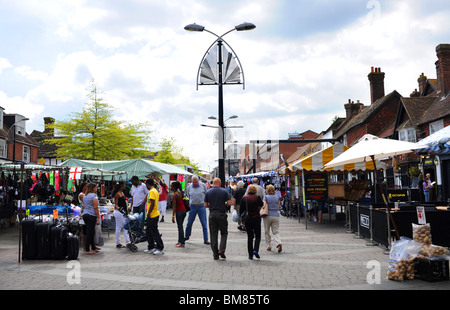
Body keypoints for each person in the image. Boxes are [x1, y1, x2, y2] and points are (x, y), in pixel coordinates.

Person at [204, 178, 231, 260]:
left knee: (213, 234)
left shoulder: (208, 192)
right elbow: (229, 203)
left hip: (212, 214)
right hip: (221, 214)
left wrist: (211, 206)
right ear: (219, 183)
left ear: (213, 183)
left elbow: (205, 205)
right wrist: (224, 204)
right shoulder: (224, 191)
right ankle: (222, 250)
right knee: (224, 233)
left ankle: (215, 254)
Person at [240, 185, 263, 260]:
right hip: (256, 217)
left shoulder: (244, 198)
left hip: (248, 218)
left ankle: (250, 255)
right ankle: (255, 250)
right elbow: (262, 205)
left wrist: (242, 220)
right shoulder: (257, 197)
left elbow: (241, 210)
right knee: (258, 236)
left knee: (250, 237)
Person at [185, 176, 209, 244]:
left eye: (196, 182)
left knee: (204, 223)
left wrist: (206, 203)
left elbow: (206, 194)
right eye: (193, 182)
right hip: (193, 206)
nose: (195, 183)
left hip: (201, 206)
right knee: (189, 222)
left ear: (198, 181)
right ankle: (187, 235)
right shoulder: (189, 187)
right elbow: (188, 195)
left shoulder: (203, 186)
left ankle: (206, 239)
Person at [144, 178, 164, 255]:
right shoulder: (154, 190)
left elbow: (152, 203)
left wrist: (148, 213)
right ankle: (151, 247)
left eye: (146, 184)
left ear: (148, 184)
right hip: (153, 214)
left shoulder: (152, 191)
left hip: (152, 215)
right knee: (148, 232)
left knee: (154, 232)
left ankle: (160, 247)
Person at [82, 183, 101, 255]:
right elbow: (96, 207)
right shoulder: (94, 196)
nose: (97, 189)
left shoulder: (85, 196)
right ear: (93, 188)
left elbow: (85, 206)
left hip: (85, 214)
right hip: (91, 215)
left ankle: (93, 247)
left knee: (90, 231)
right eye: (96, 187)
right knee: (90, 232)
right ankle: (87, 249)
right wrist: (98, 217)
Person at [262, 185, 282, 253]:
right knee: (276, 231)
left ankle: (269, 245)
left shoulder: (266, 197)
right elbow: (278, 207)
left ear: (268, 190)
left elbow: (264, 206)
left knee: (267, 231)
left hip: (267, 215)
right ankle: (278, 243)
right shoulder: (277, 197)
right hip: (276, 215)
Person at [112, 181, 131, 249]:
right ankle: (119, 242)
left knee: (125, 227)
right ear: (121, 186)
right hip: (119, 213)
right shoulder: (117, 194)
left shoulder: (121, 193)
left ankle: (127, 242)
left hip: (123, 212)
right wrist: (119, 208)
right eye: (124, 185)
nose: (125, 186)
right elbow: (116, 204)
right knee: (120, 227)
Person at [171, 181, 186, 247]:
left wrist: (173, 216)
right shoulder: (179, 192)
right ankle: (180, 241)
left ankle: (181, 243)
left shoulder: (175, 195)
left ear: (174, 187)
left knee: (180, 227)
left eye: (171, 186)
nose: (170, 187)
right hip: (183, 211)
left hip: (179, 211)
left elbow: (174, 206)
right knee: (180, 226)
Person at [78, 182, 88, 250]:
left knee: (88, 230)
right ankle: (85, 246)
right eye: (87, 186)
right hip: (83, 213)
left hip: (87, 213)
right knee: (85, 230)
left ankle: (88, 245)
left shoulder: (86, 194)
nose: (88, 187)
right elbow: (86, 202)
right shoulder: (81, 195)